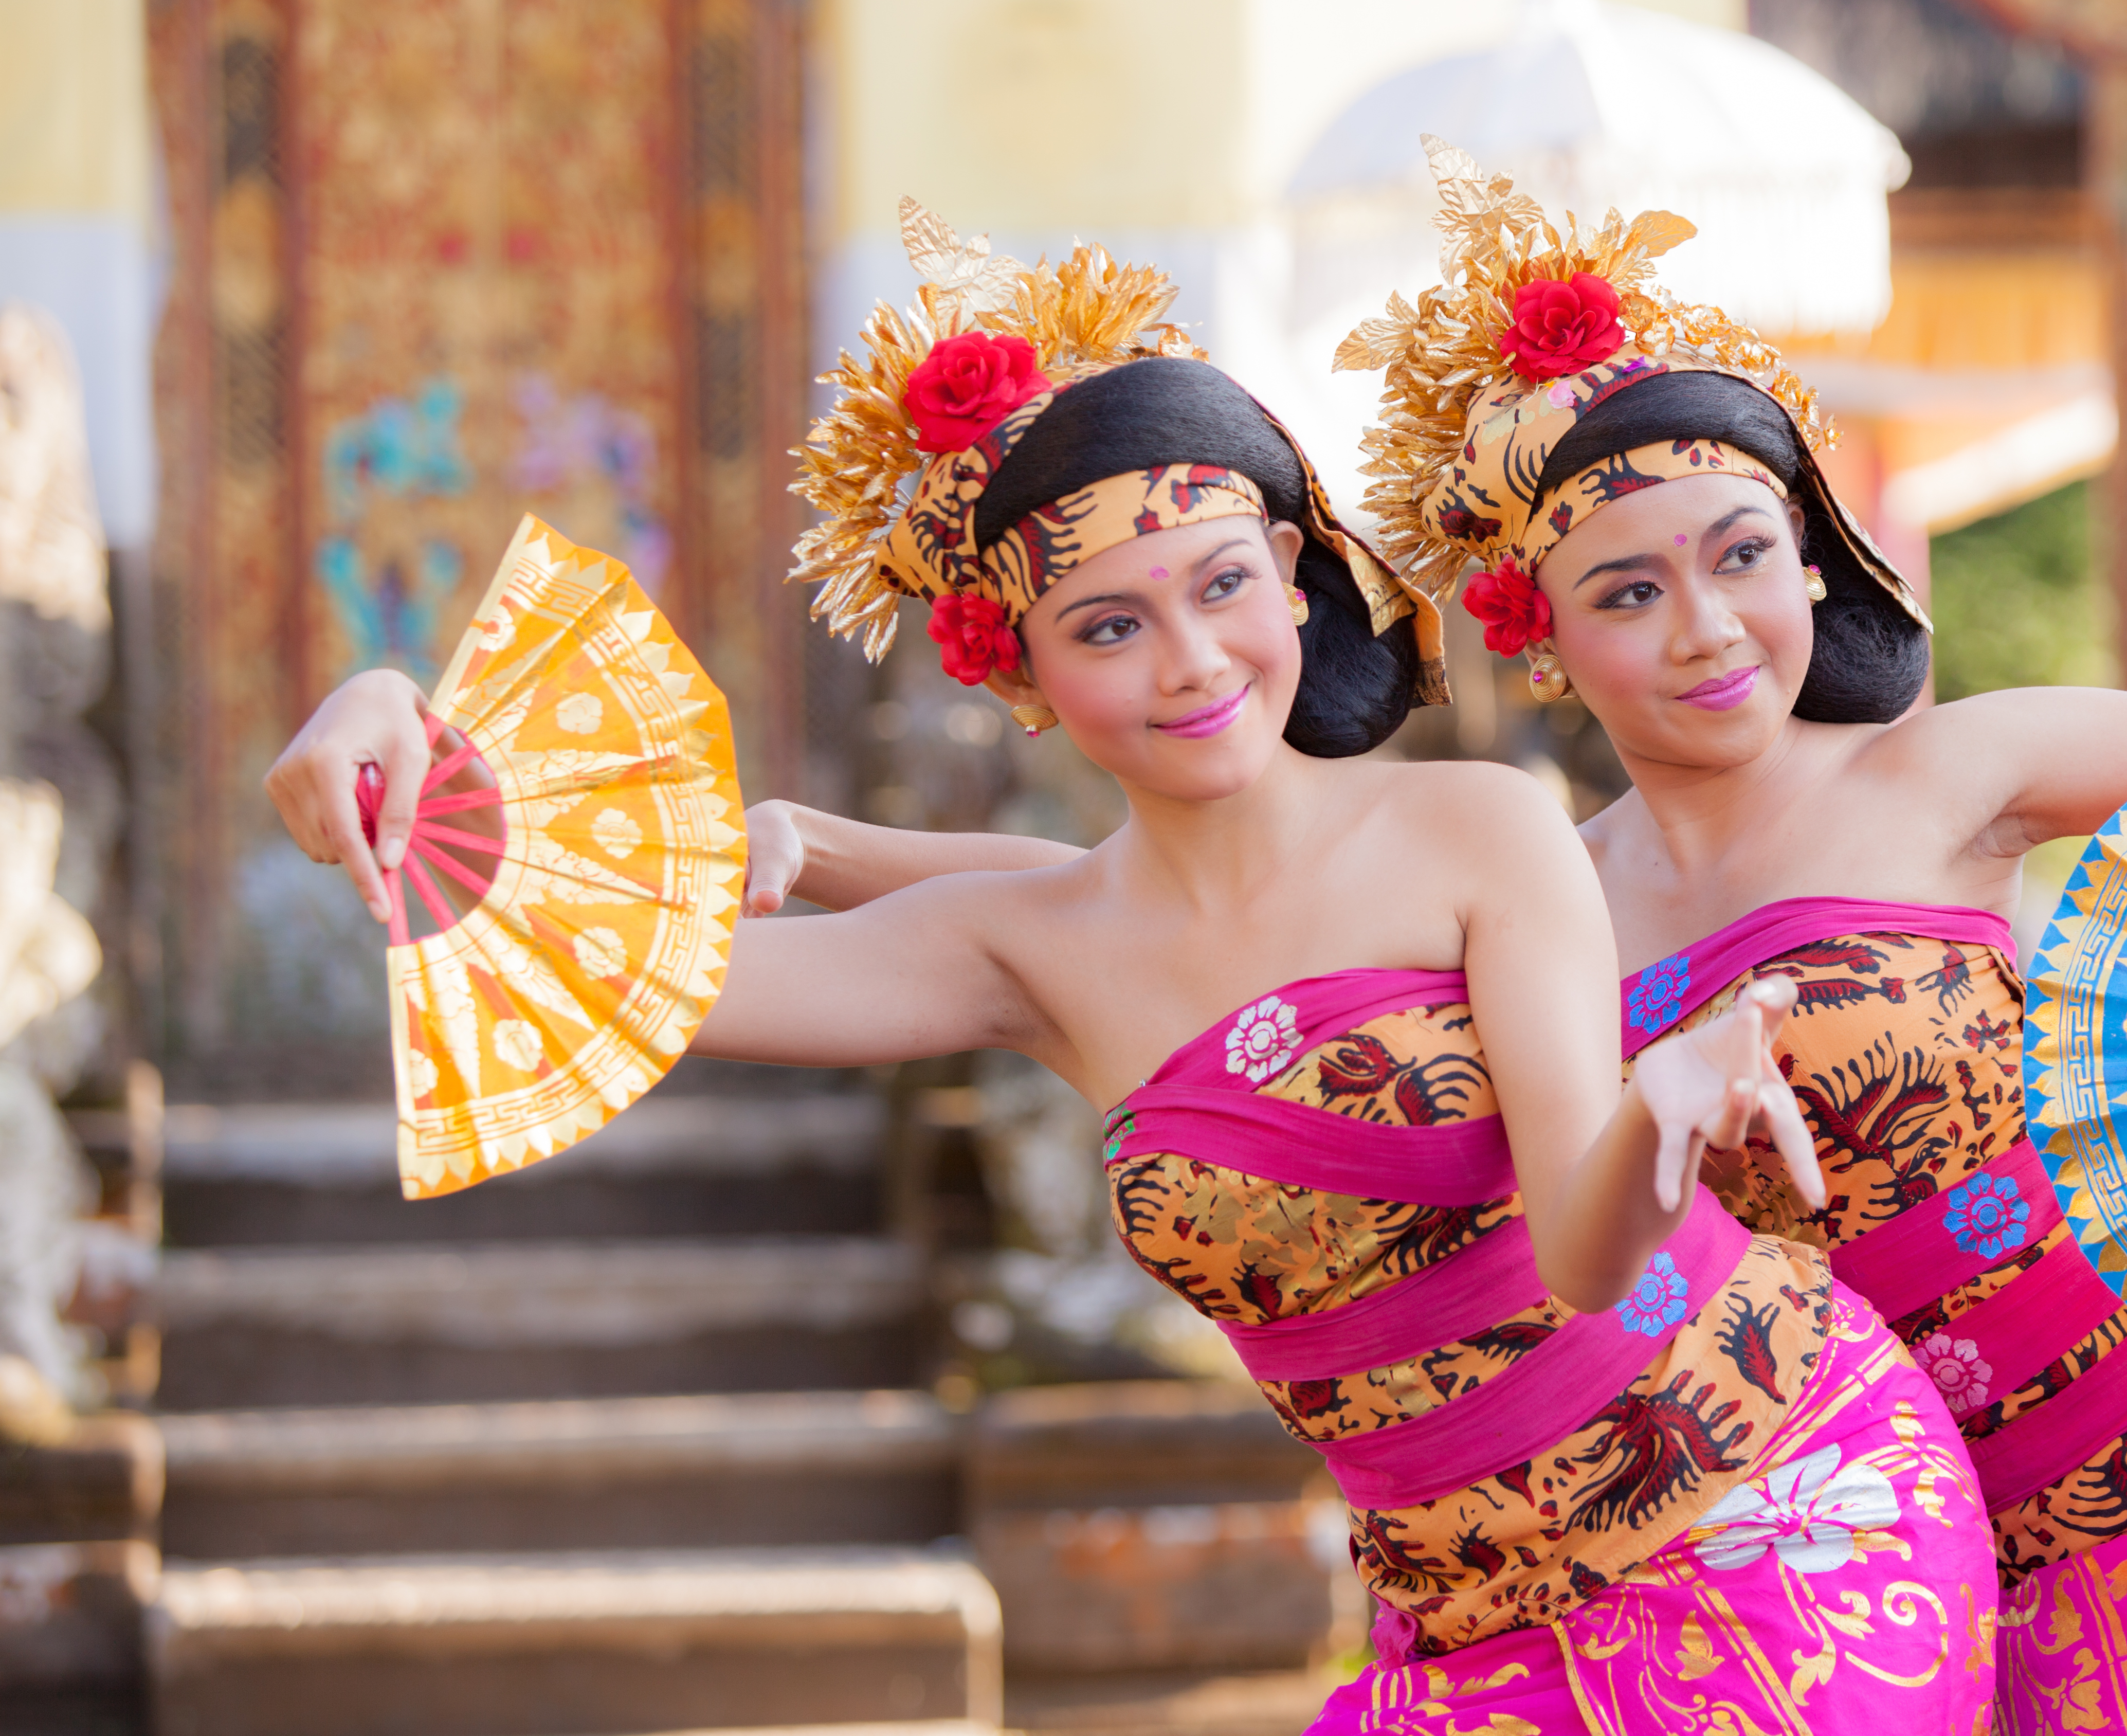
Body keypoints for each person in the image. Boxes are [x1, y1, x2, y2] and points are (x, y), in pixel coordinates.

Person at [719, 152, 2127, 1733]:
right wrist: (829, 854)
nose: (1706, 629)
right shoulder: (1545, 883)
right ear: (1541, 634)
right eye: (1630, 592)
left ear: (1817, 560)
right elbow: (1159, 921)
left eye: (1743, 557)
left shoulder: (1950, 774)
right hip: (1815, 1499)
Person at [266, 215, 1999, 1734]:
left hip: (1779, 1517)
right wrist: (389, 730)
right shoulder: (1029, 949)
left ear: (1294, 584)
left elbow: (1588, 1250)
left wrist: (1667, 1107)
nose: (1189, 663)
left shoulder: (1476, 829)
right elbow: (624, 967)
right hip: (1468, 1615)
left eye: (1221, 586)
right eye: (1109, 625)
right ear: (1017, 674)